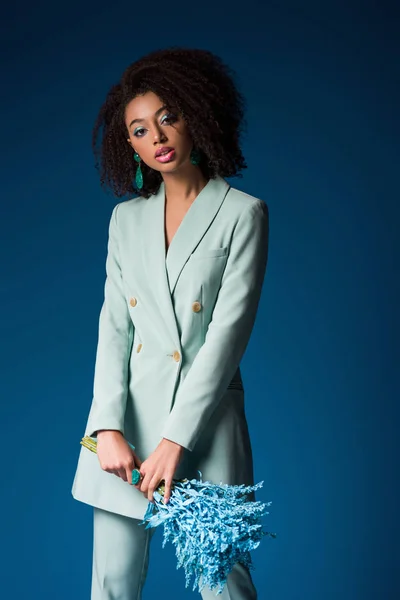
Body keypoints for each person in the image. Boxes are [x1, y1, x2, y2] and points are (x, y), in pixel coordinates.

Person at [71, 46, 269, 599]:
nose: (156, 137)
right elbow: (114, 328)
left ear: (197, 116)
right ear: (126, 144)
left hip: (201, 432)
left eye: (167, 117)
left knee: (224, 588)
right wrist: (104, 428)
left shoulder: (242, 213)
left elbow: (227, 338)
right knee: (111, 588)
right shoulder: (125, 220)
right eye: (138, 129)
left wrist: (176, 439)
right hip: (125, 436)